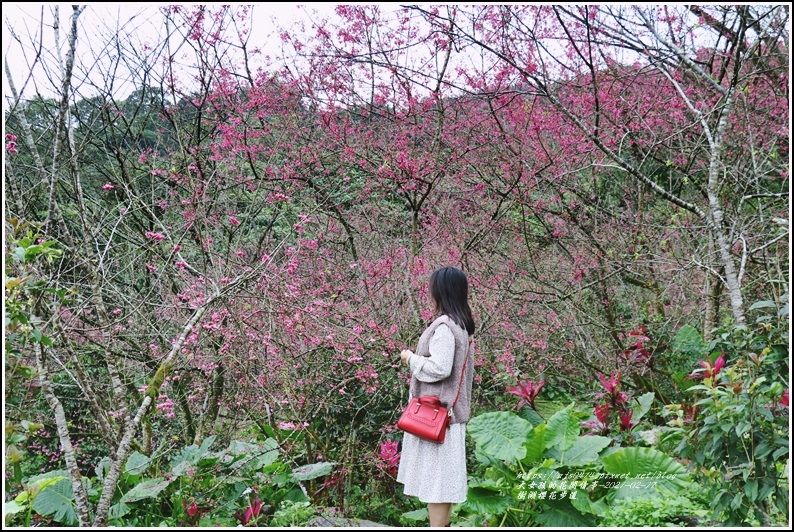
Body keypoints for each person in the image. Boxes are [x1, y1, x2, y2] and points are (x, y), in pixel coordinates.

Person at [396, 266, 475, 527]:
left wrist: (411, 358)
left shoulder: (444, 327)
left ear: (440, 291)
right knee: (442, 482)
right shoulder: (462, 326)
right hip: (449, 417)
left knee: (437, 483)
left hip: (438, 419)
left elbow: (441, 368)